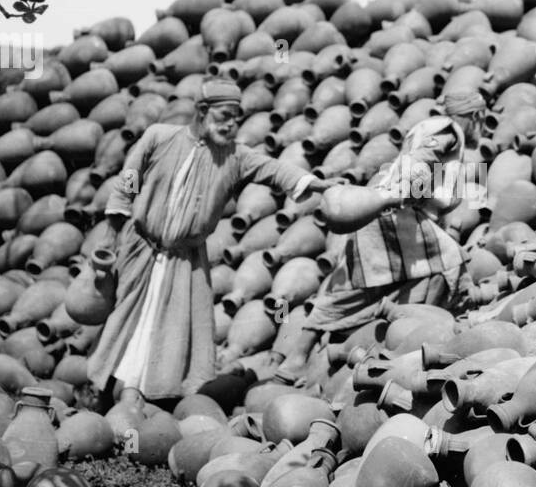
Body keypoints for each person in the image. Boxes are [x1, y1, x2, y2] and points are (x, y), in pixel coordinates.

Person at [87, 77, 328, 403]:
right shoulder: (158, 138)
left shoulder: (236, 157)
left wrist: (321, 186)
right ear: (202, 111)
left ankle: (150, 399)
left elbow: (277, 171)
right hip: (139, 249)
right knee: (124, 319)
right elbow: (126, 184)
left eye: (236, 117)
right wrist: (111, 235)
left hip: (184, 260)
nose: (231, 124)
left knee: (169, 331)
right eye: (224, 115)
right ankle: (102, 393)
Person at [268, 90, 492, 384]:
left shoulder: (429, 127)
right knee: (449, 261)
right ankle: (426, 342)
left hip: (387, 211)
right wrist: (414, 188)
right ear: (474, 116)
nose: (483, 126)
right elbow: (420, 160)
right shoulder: (447, 130)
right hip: (395, 213)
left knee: (360, 284)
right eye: (482, 119)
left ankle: (304, 355)